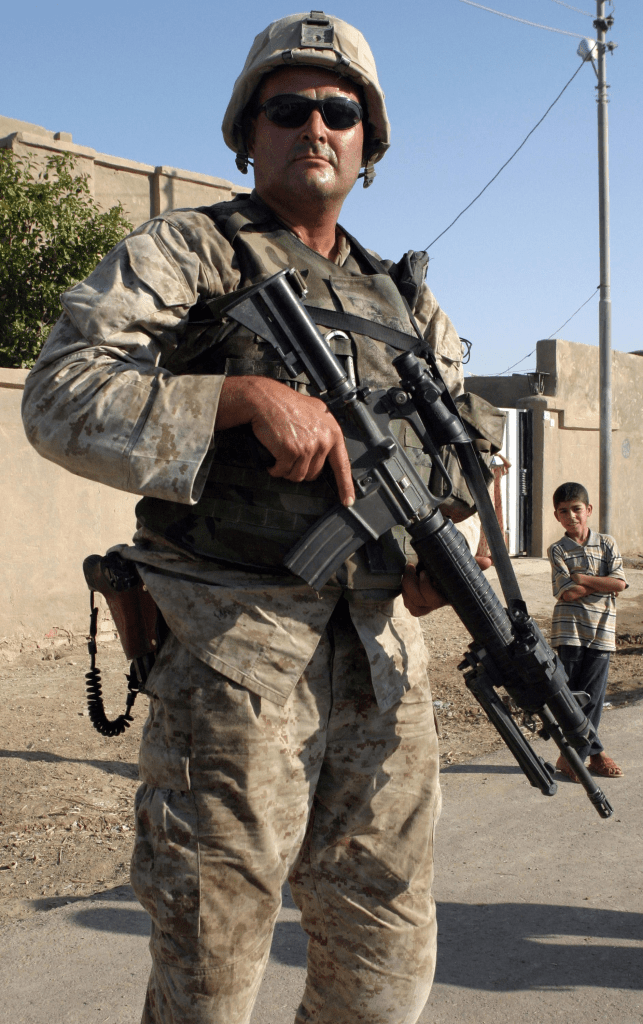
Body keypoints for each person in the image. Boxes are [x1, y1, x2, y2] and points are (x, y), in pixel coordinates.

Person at [20, 12, 504, 1023]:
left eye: (339, 110)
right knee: (210, 970)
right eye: (288, 108)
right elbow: (61, 393)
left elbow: (471, 446)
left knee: (383, 968)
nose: (315, 126)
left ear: (368, 143)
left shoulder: (408, 307)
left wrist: (434, 535)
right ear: (247, 131)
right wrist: (232, 403)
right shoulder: (191, 251)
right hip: (234, 660)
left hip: (380, 667)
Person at [548, 482, 627, 783]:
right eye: (564, 512)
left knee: (592, 698)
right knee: (569, 697)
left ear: (588, 510)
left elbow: (619, 583)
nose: (571, 517)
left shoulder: (606, 543)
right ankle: (591, 756)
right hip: (569, 632)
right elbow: (566, 593)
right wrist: (599, 581)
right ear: (557, 516)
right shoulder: (557, 549)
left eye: (576, 509)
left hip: (602, 632)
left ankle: (574, 757)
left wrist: (582, 577)